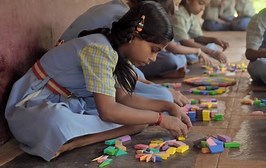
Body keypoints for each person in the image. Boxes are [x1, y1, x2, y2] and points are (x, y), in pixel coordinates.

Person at [5, 2, 192, 161]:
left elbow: (124, 99)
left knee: (140, 120)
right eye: (154, 49)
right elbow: (108, 111)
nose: (153, 58)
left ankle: (77, 141)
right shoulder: (99, 49)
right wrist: (160, 118)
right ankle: (69, 137)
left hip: (70, 103)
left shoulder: (118, 52)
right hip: (34, 104)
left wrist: (168, 106)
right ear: (135, 35)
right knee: (57, 122)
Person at [58, 0, 190, 106]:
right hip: (71, 85)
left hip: (91, 75)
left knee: (155, 98)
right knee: (162, 97)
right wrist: (163, 95)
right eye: (176, 4)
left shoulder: (123, 13)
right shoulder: (124, 20)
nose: (176, 9)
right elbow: (112, 105)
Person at [172, 0, 230, 64]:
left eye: (204, 5)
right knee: (176, 59)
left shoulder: (191, 14)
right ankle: (190, 59)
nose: (203, 8)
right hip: (175, 47)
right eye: (201, 3)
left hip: (183, 46)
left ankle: (196, 58)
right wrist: (212, 52)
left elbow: (197, 37)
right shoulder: (179, 14)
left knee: (211, 45)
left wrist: (214, 40)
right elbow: (183, 41)